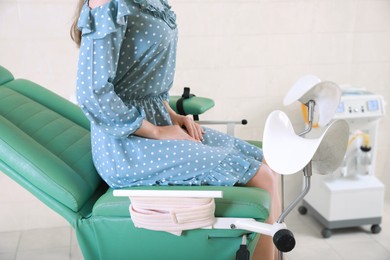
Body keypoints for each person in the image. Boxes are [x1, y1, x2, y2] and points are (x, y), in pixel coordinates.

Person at [71, 0, 281, 259]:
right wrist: (156, 132)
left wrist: (172, 116)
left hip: (156, 123)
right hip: (127, 147)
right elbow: (92, 94)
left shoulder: (153, 3)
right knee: (262, 177)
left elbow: (143, 84)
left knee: (266, 163)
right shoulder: (107, 3)